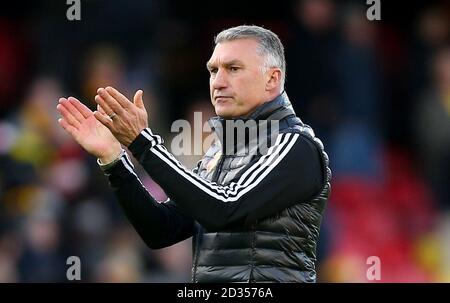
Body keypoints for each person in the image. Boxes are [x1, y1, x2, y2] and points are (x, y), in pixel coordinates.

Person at [56, 25, 331, 283]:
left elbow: (224, 208)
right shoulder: (218, 153)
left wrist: (142, 142)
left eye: (233, 68)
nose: (218, 82)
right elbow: (162, 229)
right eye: (213, 70)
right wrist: (114, 159)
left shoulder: (294, 144)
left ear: (272, 79)